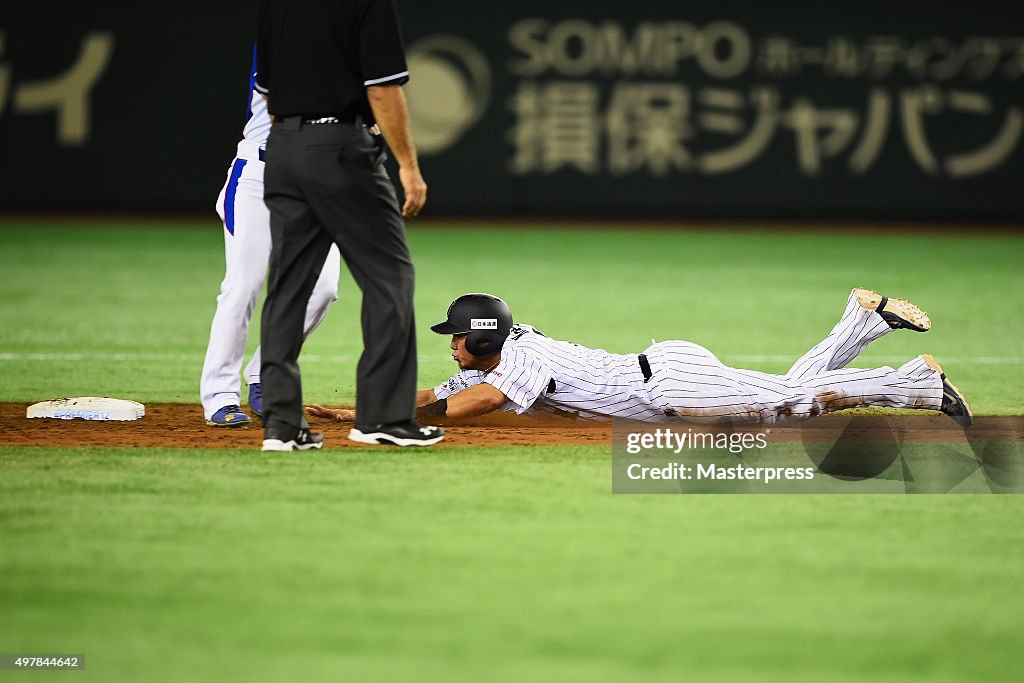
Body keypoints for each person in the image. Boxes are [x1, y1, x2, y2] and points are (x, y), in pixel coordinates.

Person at [308, 290, 973, 428]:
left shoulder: (520, 356)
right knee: (788, 394)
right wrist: (363, 412)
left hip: (672, 382)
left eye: (457, 336)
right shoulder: (493, 358)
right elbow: (436, 394)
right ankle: (862, 321)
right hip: (665, 377)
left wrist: (404, 426)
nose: (450, 343)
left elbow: (476, 404)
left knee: (790, 404)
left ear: (484, 339)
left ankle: (914, 385)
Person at [255, 0, 443, 450]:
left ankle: (282, 426)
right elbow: (382, 91)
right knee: (389, 278)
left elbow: (265, 88)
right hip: (340, 149)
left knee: (287, 289)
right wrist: (409, 167)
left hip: (282, 146)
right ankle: (382, 418)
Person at [201, 46, 341, 428]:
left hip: (318, 180)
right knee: (244, 285)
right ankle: (220, 395)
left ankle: (265, 374)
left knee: (323, 287)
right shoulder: (281, 32)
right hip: (259, 175)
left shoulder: (353, 40)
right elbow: (285, 103)